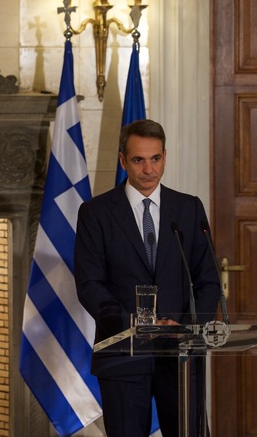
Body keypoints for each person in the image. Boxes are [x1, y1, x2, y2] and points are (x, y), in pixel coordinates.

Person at [74, 119, 221, 437]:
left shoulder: (189, 209)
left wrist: (184, 326)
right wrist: (137, 325)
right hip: (123, 355)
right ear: (123, 160)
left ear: (165, 157)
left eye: (155, 158)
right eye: (138, 160)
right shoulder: (95, 213)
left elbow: (208, 280)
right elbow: (89, 285)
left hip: (181, 354)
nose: (148, 169)